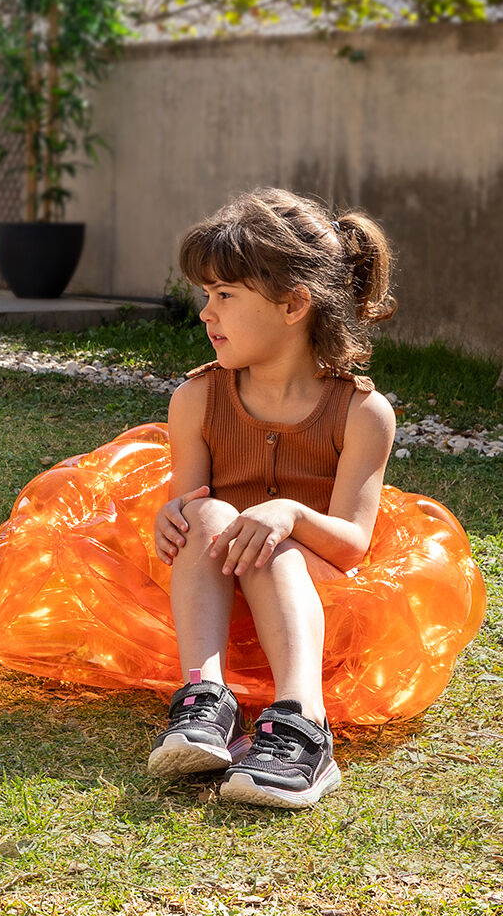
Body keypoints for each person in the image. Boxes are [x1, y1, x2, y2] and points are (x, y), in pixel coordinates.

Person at [148, 188, 397, 809]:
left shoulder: (362, 413)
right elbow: (192, 517)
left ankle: (302, 725)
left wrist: (288, 513)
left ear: (293, 304)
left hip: (315, 587)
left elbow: (351, 547)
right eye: (205, 295)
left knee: (276, 548)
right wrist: (175, 519)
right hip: (219, 592)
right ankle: (205, 698)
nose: (206, 313)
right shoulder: (197, 400)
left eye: (225, 296)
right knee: (209, 512)